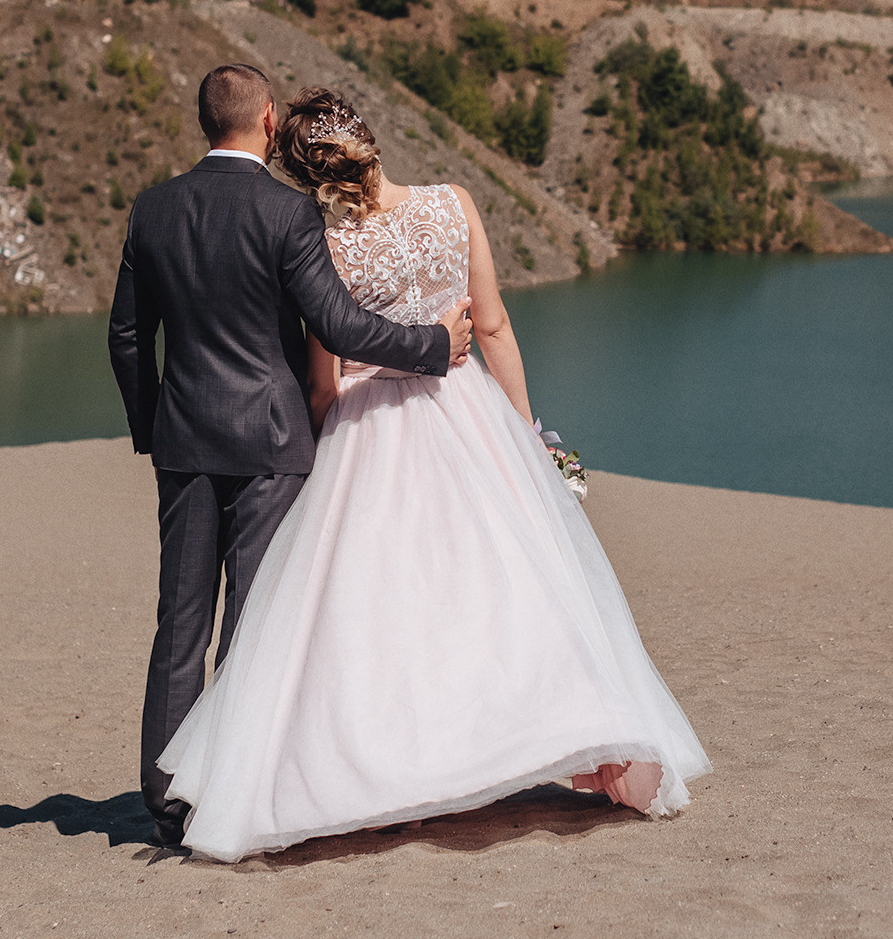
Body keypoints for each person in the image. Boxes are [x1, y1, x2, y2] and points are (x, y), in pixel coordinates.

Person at [155, 87, 709, 862]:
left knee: (384, 607)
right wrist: (524, 436)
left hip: (369, 426)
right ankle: (565, 739)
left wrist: (315, 452)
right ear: (370, 142)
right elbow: (492, 325)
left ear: (306, 172)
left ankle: (397, 779)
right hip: (467, 414)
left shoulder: (320, 243)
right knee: (506, 589)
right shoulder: (455, 203)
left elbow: (323, 377)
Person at [108, 65, 475, 853]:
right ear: (268, 121)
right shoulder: (287, 212)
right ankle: (232, 783)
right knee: (252, 616)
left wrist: (153, 426)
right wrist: (435, 347)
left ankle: (167, 802)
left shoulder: (153, 209)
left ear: (206, 121)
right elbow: (340, 326)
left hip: (186, 443)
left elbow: (129, 337)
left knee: (180, 621)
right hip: (273, 442)